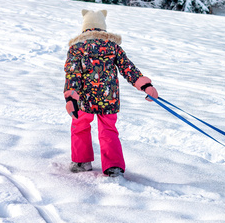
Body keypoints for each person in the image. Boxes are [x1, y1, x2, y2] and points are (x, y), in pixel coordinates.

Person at [63, 9, 158, 177]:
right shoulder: (113, 47)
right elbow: (128, 68)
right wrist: (144, 85)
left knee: (80, 126)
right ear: (103, 27)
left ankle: (81, 161)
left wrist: (71, 97)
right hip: (109, 98)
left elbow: (73, 74)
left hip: (84, 100)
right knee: (108, 130)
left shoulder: (77, 48)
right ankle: (113, 167)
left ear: (85, 28)